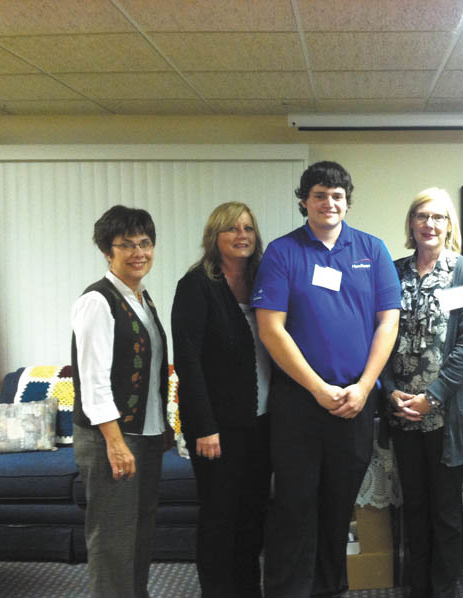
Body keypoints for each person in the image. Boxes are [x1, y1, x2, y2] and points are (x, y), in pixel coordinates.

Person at [252, 161, 401, 597]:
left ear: (347, 202)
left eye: (337, 195)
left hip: (354, 402)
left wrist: (364, 386)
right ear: (304, 201)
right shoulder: (282, 252)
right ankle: (285, 591)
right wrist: (318, 389)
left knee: (338, 507)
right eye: (319, 194)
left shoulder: (372, 251)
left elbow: (387, 324)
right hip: (299, 404)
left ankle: (328, 588)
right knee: (294, 504)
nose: (329, 202)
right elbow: (270, 328)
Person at [381, 188, 463, 598]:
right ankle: (416, 588)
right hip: (403, 413)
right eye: (422, 215)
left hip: (445, 415)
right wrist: (390, 392)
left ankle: (443, 591)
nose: (429, 224)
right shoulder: (393, 270)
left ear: (449, 225)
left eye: (439, 217)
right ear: (411, 223)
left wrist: (433, 396)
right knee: (414, 508)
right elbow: (381, 337)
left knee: (445, 513)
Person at [171, 202, 271, 597]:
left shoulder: (264, 280)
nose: (241, 235)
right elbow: (188, 361)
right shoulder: (197, 285)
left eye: (248, 227)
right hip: (218, 428)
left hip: (263, 422)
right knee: (219, 519)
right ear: (215, 237)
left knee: (253, 516)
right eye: (231, 229)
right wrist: (204, 426)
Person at [71, 205, 168, 598]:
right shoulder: (98, 301)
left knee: (140, 532)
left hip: (144, 437)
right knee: (112, 539)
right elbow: (93, 381)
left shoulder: (141, 300)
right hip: (112, 438)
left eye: (144, 242)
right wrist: (115, 443)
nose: (138, 252)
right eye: (125, 245)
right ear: (107, 251)